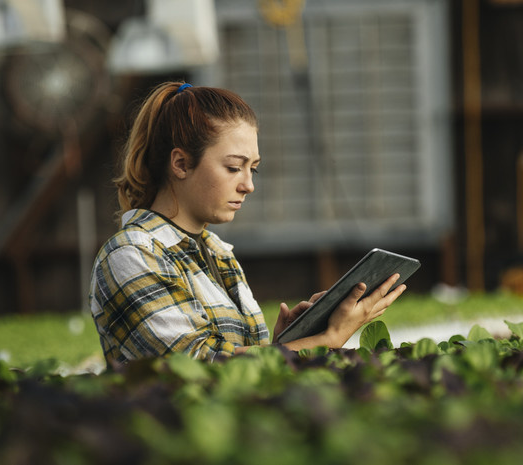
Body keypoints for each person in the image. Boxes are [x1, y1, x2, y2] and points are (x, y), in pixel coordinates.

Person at [89, 81, 406, 364]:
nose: (248, 185)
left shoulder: (217, 252)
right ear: (181, 164)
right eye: (233, 168)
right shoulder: (131, 255)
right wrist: (326, 340)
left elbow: (242, 370)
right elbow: (200, 368)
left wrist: (286, 342)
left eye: (252, 169)